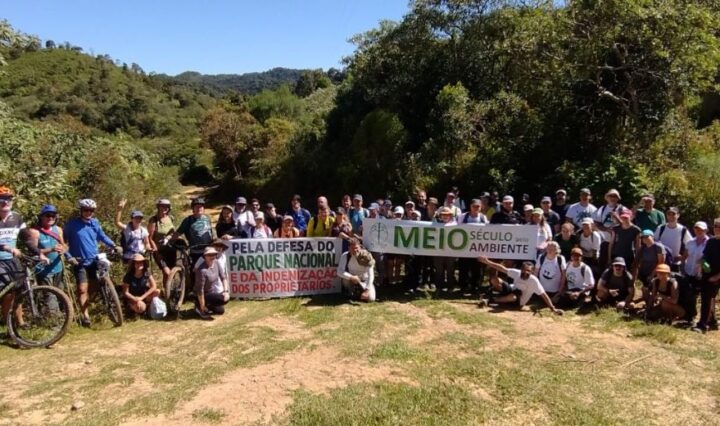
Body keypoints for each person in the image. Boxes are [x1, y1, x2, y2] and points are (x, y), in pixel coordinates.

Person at [64, 198, 120, 327]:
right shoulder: (72, 225)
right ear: (81, 210)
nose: (88, 212)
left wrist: (113, 245)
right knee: (82, 289)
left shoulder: (95, 222)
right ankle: (85, 315)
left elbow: (102, 236)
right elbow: (63, 241)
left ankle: (102, 305)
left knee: (99, 283)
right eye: (86, 210)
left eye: (91, 210)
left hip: (94, 259)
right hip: (79, 262)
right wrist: (68, 256)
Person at [478, 257, 563, 314]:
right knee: (494, 279)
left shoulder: (534, 281)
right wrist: (487, 262)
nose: (525, 272)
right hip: (512, 290)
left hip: (518, 301)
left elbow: (544, 295)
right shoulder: (517, 273)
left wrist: (553, 309)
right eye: (524, 270)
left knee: (513, 296)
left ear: (532, 272)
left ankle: (490, 300)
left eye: (528, 271)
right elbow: (502, 268)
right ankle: (495, 297)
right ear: (521, 269)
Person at [27, 204, 66, 288]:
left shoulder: (58, 230)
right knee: (50, 298)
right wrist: (51, 249)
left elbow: (64, 246)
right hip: (43, 270)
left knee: (60, 296)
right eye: (48, 215)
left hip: (58, 268)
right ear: (41, 217)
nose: (50, 218)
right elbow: (32, 252)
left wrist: (63, 249)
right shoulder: (34, 232)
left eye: (53, 215)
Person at [171, 197, 214, 270]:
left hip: (208, 250)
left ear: (204, 208)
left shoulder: (207, 218)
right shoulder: (188, 220)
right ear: (193, 209)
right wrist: (170, 239)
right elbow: (178, 232)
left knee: (211, 271)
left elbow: (211, 233)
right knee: (195, 272)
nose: (199, 208)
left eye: (201, 206)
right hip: (195, 252)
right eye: (196, 206)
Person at [694, 218, 720, 333]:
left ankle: (709, 322)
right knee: (706, 298)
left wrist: (718, 276)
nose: (717, 229)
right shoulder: (711, 241)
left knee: (710, 298)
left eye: (719, 227)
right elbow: (705, 257)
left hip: (717, 275)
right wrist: (702, 263)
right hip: (708, 274)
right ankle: (704, 324)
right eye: (715, 226)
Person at [683, 222, 710, 323]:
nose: (699, 231)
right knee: (689, 294)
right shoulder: (690, 242)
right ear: (694, 229)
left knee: (697, 295)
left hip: (701, 274)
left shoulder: (709, 243)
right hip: (689, 271)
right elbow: (685, 256)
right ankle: (689, 315)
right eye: (697, 229)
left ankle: (701, 317)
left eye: (701, 229)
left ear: (706, 230)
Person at [194, 246, 229, 320]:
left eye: (214, 254)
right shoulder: (202, 270)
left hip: (212, 293)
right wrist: (202, 306)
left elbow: (223, 277)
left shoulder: (216, 262)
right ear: (205, 256)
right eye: (209, 255)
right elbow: (200, 290)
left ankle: (208, 306)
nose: (212, 256)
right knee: (222, 299)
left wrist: (226, 291)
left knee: (220, 311)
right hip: (203, 294)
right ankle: (200, 306)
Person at [147, 198, 175, 285]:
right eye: (162, 206)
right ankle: (168, 290)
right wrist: (155, 248)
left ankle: (167, 292)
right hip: (159, 251)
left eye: (167, 206)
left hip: (171, 249)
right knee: (167, 272)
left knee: (168, 273)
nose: (164, 208)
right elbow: (149, 237)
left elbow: (173, 232)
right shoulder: (154, 220)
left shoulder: (170, 218)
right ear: (158, 207)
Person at [594, 189, 625, 266]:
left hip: (618, 243)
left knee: (617, 264)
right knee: (603, 264)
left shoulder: (622, 209)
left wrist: (617, 218)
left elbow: (626, 225)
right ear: (607, 197)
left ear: (618, 198)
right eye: (610, 196)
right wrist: (607, 230)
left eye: (615, 196)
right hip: (604, 242)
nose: (612, 198)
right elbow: (596, 223)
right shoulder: (601, 209)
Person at [654, 207, 691, 272]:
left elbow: (690, 245)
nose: (671, 216)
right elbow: (654, 242)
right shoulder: (660, 228)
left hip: (675, 263)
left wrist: (683, 257)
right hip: (661, 262)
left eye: (673, 214)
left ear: (678, 215)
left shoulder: (683, 230)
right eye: (669, 214)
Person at [635, 230, 665, 299]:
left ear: (652, 236)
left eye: (646, 236)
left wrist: (652, 274)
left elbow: (661, 262)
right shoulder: (643, 248)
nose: (644, 238)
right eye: (642, 237)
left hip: (654, 271)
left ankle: (651, 300)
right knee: (638, 284)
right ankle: (645, 297)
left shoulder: (659, 247)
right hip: (643, 270)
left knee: (652, 287)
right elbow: (640, 260)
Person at [433, 207, 458, 292]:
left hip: (451, 251)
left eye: (447, 215)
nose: (445, 216)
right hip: (438, 251)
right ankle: (439, 287)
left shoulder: (455, 224)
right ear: (440, 216)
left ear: (451, 216)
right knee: (439, 270)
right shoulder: (435, 223)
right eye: (443, 214)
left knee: (450, 270)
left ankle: (450, 287)